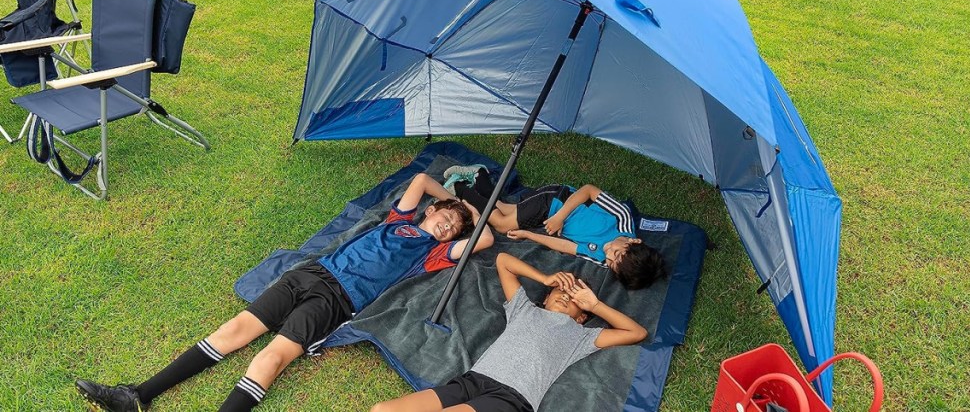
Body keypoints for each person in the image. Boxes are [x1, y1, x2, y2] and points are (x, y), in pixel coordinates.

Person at [75, 173, 491, 412]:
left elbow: (485, 237)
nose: (448, 227)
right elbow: (420, 179)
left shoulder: (433, 254)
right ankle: (136, 396)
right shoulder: (399, 217)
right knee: (233, 329)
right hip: (311, 273)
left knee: (270, 356)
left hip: (338, 300)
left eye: (455, 229)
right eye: (446, 219)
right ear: (430, 210)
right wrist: (453, 198)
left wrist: (470, 212)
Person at [371, 252, 648, 412]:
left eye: (575, 297)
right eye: (561, 290)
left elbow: (636, 332)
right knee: (382, 410)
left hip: (512, 399)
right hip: (473, 381)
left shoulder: (583, 336)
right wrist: (544, 278)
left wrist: (596, 304)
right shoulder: (523, 309)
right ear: (546, 297)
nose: (566, 295)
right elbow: (503, 260)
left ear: (582, 317)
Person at [446, 166, 667, 290]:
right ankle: (459, 188)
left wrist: (529, 235)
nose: (608, 254)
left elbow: (565, 246)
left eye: (611, 263)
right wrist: (560, 217)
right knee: (501, 224)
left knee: (502, 208)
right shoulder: (622, 218)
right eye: (617, 252)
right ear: (634, 241)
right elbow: (588, 190)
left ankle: (479, 175)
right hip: (556, 200)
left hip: (548, 215)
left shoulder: (602, 258)